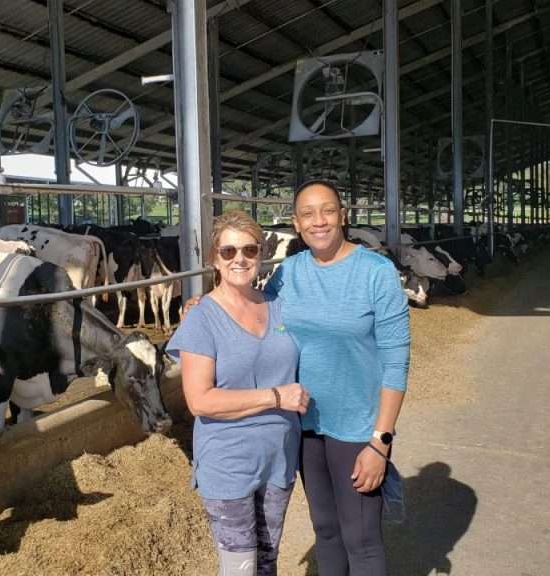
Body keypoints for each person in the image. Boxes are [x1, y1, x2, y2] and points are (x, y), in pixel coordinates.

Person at [264, 180, 410, 575]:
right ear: (296, 223)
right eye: (308, 214)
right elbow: (255, 320)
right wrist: (202, 306)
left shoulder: (376, 273)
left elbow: (396, 361)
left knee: (361, 539)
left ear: (343, 215)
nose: (319, 221)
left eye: (327, 210)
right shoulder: (287, 274)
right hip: (306, 425)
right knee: (325, 530)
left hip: (357, 428)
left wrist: (380, 440)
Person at [167, 210, 310, 576]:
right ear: (214, 257)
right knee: (240, 568)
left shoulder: (279, 306)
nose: (240, 259)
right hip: (229, 464)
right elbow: (200, 401)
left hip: (278, 459)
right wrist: (276, 397)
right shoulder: (202, 318)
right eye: (228, 251)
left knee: (267, 562)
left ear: (262, 254)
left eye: (249, 249)